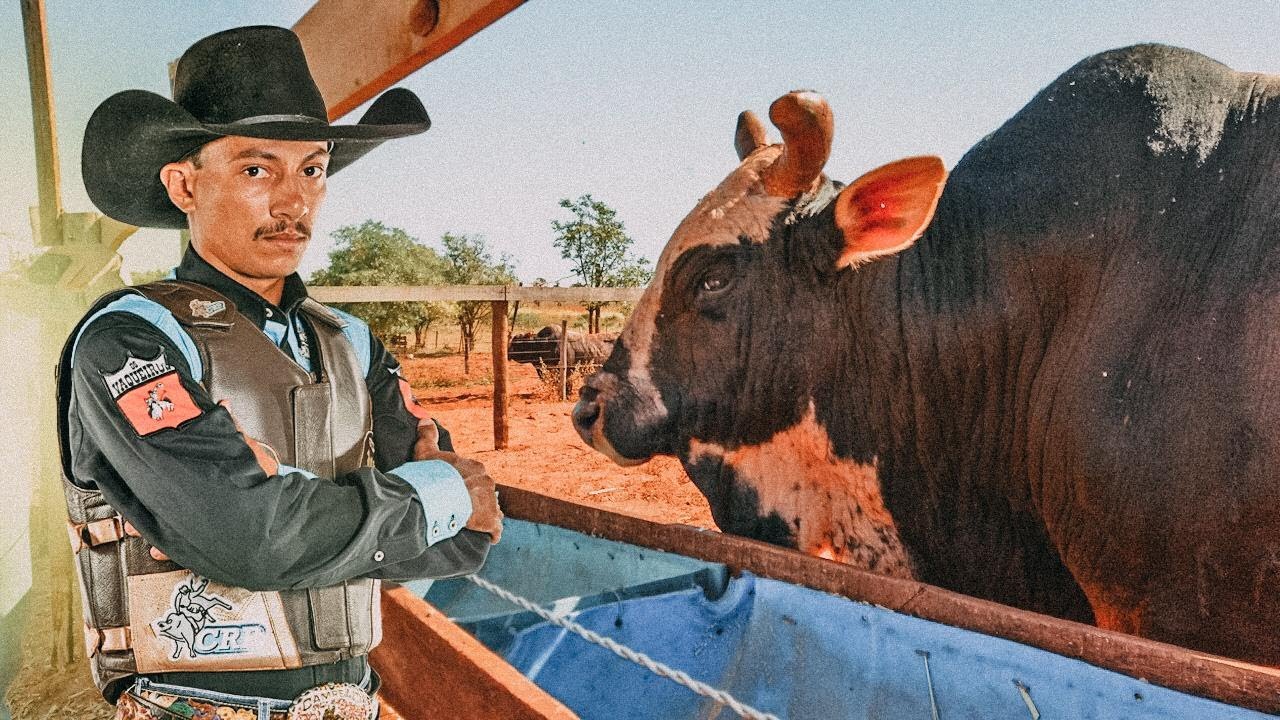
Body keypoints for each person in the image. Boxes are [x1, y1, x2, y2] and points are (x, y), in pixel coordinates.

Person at [56, 25, 503, 720]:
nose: (294, 203)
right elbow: (249, 536)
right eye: (256, 171)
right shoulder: (129, 341)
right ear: (184, 184)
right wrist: (412, 501)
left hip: (352, 705)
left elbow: (469, 532)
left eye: (313, 170)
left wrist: (295, 505)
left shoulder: (351, 342)